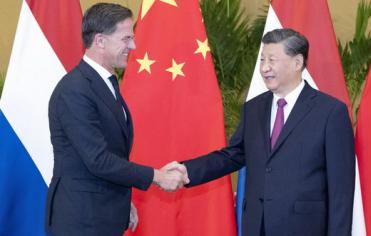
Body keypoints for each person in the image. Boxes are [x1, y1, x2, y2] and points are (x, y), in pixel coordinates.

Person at [169, 28, 355, 236]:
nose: (265, 68)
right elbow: (234, 154)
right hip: (257, 226)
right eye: (262, 60)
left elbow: (342, 191)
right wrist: (188, 171)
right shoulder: (254, 108)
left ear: (297, 63)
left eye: (272, 60)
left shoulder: (330, 112)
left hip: (305, 228)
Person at [45, 3, 187, 236]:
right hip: (81, 221)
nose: (133, 46)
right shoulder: (74, 90)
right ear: (100, 41)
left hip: (102, 214)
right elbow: (98, 159)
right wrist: (157, 176)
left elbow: (112, 153)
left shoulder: (103, 83)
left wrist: (122, 203)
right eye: (126, 38)